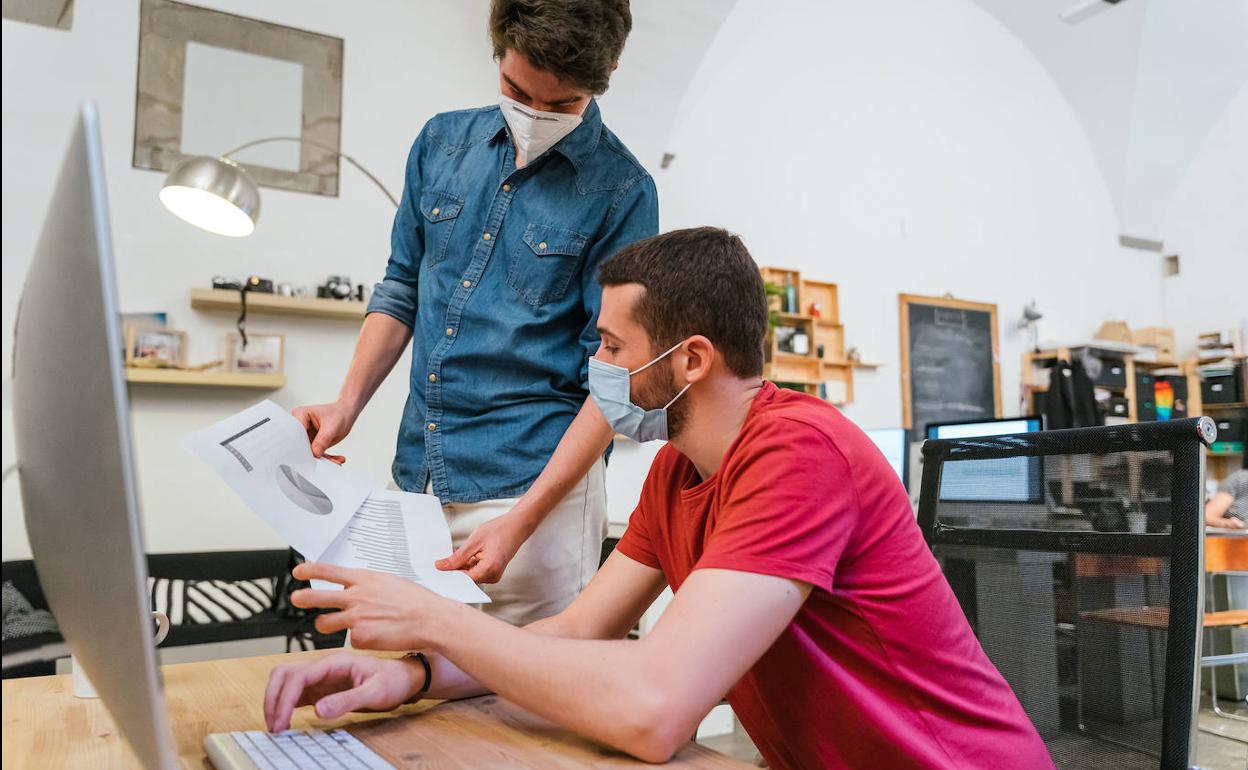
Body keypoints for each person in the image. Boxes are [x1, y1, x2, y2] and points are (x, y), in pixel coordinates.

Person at [263, 228, 1053, 769]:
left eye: (612, 348)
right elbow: (576, 630)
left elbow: (654, 710)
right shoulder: (679, 470)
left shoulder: (799, 452)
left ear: (691, 360)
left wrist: (434, 617)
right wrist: (416, 674)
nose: (595, 370)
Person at [293, 0, 657, 625]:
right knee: (383, 676)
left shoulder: (624, 191)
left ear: (609, 71)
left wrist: (524, 520)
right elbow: (401, 286)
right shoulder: (440, 143)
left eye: (562, 104)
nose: (537, 115)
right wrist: (345, 405)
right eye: (519, 92)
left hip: (535, 492)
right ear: (497, 48)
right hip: (419, 477)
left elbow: (613, 375)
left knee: (519, 704)